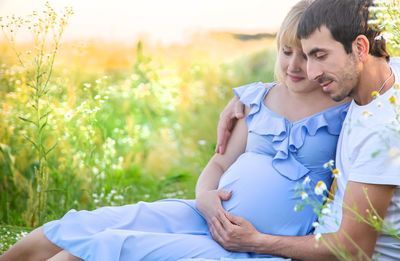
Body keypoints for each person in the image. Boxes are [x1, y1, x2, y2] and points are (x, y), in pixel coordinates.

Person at [0, 1, 350, 260]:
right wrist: (204, 197)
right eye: (286, 51)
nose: (293, 65)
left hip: (254, 247)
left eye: (306, 55)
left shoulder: (346, 107)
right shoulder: (257, 99)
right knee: (80, 227)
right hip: (202, 215)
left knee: (97, 249)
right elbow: (217, 166)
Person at [214, 0, 400, 260]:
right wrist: (253, 96)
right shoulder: (386, 75)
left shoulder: (383, 130)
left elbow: (354, 250)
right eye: (305, 55)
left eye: (319, 56)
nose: (311, 73)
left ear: (360, 48)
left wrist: (256, 241)